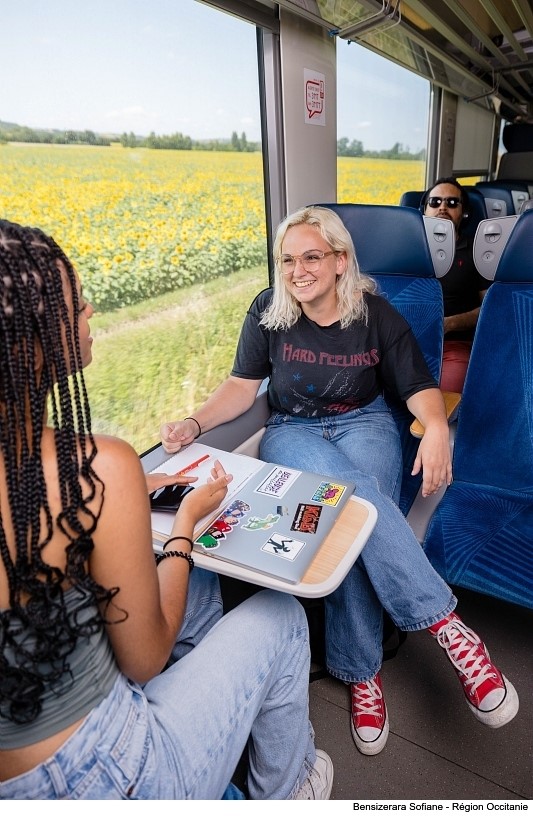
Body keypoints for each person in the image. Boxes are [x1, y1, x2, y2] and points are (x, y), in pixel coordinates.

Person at [161, 205, 519, 757]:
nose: (297, 271)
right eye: (287, 261)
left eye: (310, 257)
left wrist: (440, 427)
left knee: (354, 521)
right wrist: (194, 422)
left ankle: (361, 673)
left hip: (367, 423)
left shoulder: (374, 314)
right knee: (360, 506)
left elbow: (418, 387)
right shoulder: (268, 310)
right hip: (293, 429)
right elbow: (241, 386)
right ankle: (450, 629)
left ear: (339, 260)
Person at [0, 219, 333, 800]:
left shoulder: (60, 473)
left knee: (204, 598)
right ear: (38, 339)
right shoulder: (96, 468)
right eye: (78, 304)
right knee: (281, 616)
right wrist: (184, 525)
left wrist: (140, 482)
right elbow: (146, 659)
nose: (93, 309)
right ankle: (292, 791)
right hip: (104, 775)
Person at [422, 177, 490, 393]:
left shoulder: (478, 253)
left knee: (447, 392)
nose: (442, 207)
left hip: (453, 345)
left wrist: (449, 324)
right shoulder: (407, 246)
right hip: (403, 340)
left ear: (465, 213)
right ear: (424, 209)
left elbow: (489, 308)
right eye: (435, 202)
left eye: (452, 203)